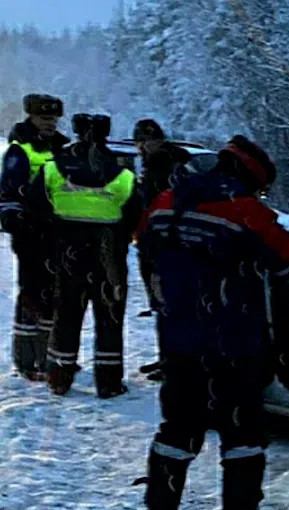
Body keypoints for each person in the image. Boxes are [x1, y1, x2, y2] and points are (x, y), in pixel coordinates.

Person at [136, 135, 289, 510]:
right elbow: (286, 259)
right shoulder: (247, 211)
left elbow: (144, 245)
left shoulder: (166, 203)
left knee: (176, 430)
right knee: (242, 434)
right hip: (234, 342)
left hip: (178, 340)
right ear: (250, 176)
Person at [27, 113, 140, 398]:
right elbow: (135, 213)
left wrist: (52, 235)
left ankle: (59, 377)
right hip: (108, 254)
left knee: (66, 314)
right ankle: (109, 382)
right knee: (109, 317)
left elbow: (35, 206)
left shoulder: (54, 167)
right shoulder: (121, 172)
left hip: (68, 252)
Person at [0, 94, 68, 380]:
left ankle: (48, 354)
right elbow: (8, 191)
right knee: (32, 293)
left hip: (58, 231)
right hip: (30, 233)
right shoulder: (20, 150)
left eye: (53, 119)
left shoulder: (64, 148)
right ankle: (27, 358)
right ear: (31, 118)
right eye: (44, 118)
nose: (49, 124)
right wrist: (16, 221)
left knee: (54, 294)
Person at [131, 118, 192, 381]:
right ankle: (167, 358)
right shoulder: (161, 166)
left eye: (148, 141)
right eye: (142, 141)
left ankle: (174, 362)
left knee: (169, 306)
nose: (144, 146)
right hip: (153, 244)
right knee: (162, 305)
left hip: (164, 247)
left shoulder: (165, 168)